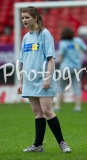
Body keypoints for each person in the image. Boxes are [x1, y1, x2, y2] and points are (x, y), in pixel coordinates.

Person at [17, 6, 71, 153]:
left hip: (43, 80)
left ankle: (62, 143)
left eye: (27, 17)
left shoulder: (45, 34)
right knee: (37, 113)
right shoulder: (26, 37)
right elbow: (22, 61)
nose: (24, 20)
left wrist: (47, 78)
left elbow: (51, 59)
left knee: (47, 111)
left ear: (35, 18)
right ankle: (38, 146)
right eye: (22, 18)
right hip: (29, 80)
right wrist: (21, 81)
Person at [53, 27, 87, 112]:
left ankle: (57, 106)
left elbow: (61, 55)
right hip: (77, 67)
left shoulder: (63, 43)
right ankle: (78, 107)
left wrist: (60, 65)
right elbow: (86, 50)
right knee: (77, 86)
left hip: (65, 67)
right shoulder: (78, 41)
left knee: (61, 86)